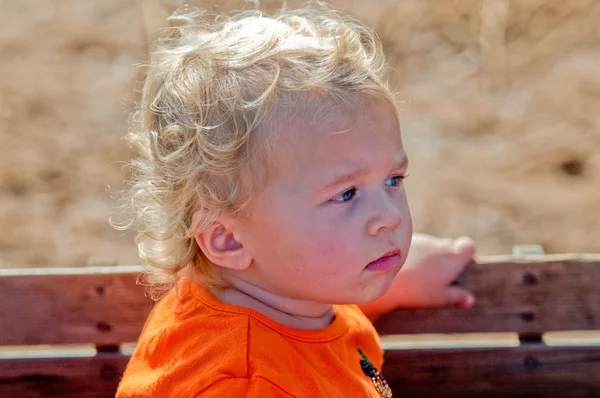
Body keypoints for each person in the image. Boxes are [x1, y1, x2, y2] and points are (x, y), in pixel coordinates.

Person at [115, 4, 475, 397]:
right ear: (227, 240)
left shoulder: (271, 292)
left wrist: (396, 286)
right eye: (345, 194)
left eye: (393, 179)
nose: (388, 216)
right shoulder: (242, 384)